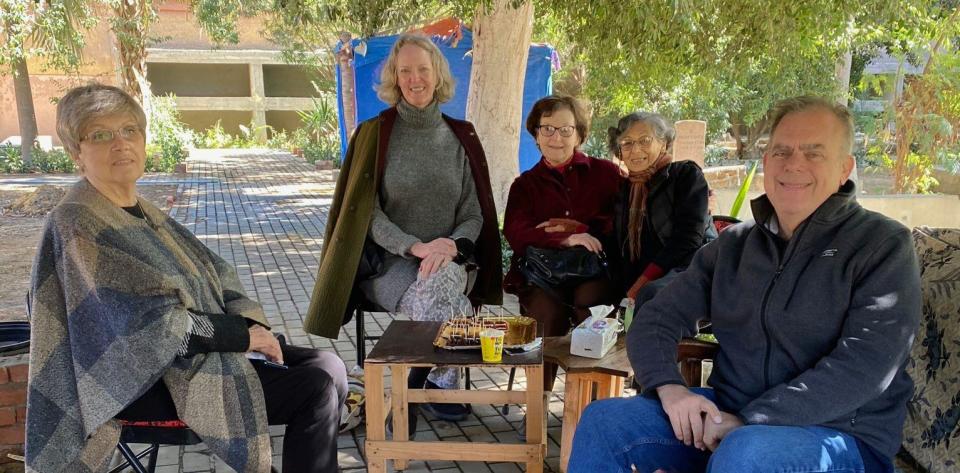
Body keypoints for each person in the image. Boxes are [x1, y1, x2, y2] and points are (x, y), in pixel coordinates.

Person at [568, 96, 921, 472]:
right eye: (781, 151)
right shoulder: (734, 246)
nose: (794, 163)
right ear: (766, 162)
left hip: (838, 436)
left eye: (814, 153)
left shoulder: (882, 245)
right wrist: (671, 390)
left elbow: (863, 367)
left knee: (745, 453)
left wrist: (752, 421)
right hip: (730, 416)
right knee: (603, 422)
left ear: (843, 169)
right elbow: (657, 317)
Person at [25, 84, 347, 473]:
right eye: (100, 135)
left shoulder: (140, 210)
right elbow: (151, 330)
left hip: (190, 355)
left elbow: (215, 271)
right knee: (314, 390)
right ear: (77, 153)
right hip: (134, 380)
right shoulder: (78, 222)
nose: (120, 144)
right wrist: (244, 336)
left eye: (129, 130)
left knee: (330, 364)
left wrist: (251, 324)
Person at [303, 33, 503, 425]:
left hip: (448, 259)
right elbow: (367, 215)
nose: (415, 79)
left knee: (440, 280)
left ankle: (411, 384)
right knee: (442, 294)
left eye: (423, 70)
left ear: (437, 74)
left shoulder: (461, 137)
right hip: (390, 265)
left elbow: (474, 213)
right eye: (405, 70)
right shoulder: (375, 133)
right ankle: (440, 380)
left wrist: (447, 247)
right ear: (395, 77)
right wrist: (415, 247)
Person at [503, 95, 622, 392]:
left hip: (593, 268)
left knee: (592, 308)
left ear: (579, 134)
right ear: (536, 135)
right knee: (547, 316)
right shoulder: (525, 185)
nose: (556, 137)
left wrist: (582, 228)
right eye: (548, 129)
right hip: (542, 274)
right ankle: (537, 403)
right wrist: (564, 238)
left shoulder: (606, 174)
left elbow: (621, 222)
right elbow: (516, 233)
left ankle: (591, 401)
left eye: (566, 129)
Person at [607, 112, 715, 308]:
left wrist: (644, 281)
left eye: (645, 141)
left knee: (651, 294)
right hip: (643, 276)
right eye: (627, 143)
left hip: (686, 268)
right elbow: (618, 246)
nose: (635, 150)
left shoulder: (685, 175)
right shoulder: (624, 189)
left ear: (664, 143)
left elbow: (688, 239)